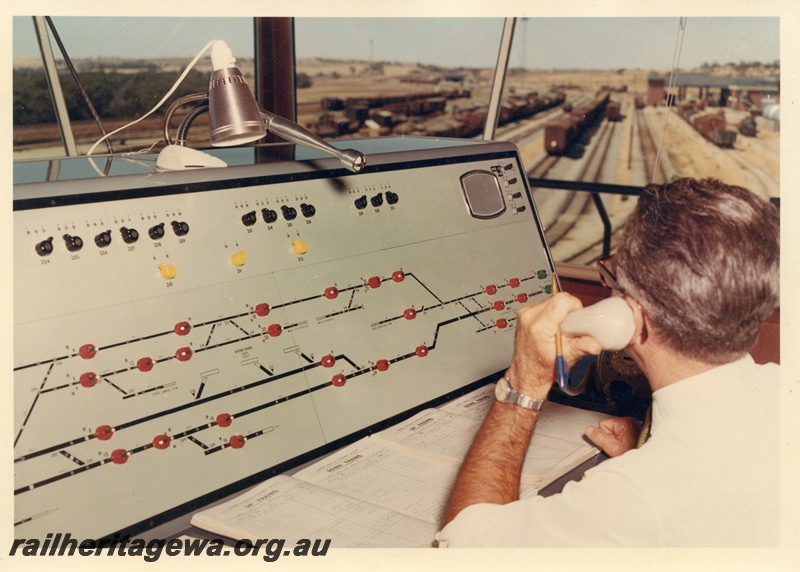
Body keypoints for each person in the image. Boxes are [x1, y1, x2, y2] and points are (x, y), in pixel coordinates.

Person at [434, 178, 780, 547]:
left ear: (628, 317)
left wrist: (525, 379)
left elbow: (461, 545)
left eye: (614, 277)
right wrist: (641, 455)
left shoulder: (637, 496)